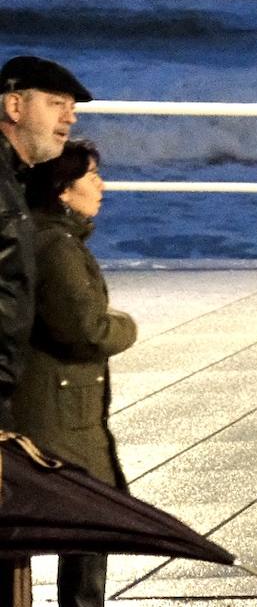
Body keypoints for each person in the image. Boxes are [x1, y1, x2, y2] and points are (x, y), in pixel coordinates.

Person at [11, 139, 136, 607]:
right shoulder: (57, 248)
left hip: (63, 405)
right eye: (91, 176)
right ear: (64, 189)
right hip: (61, 412)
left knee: (80, 524)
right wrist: (126, 326)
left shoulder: (48, 238)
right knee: (87, 522)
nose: (101, 185)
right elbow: (86, 329)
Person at [0, 54, 91, 607]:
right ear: (13, 105)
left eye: (72, 109)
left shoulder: (10, 180)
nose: (70, 118)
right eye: (57, 104)